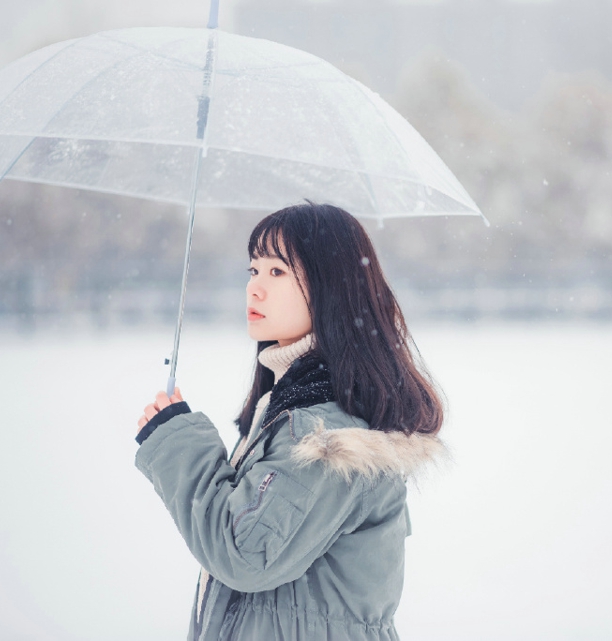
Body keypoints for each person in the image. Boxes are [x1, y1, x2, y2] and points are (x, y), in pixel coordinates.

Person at [134, 202, 447, 641]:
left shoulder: (328, 435)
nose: (254, 289)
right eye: (252, 270)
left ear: (330, 287)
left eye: (277, 272)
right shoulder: (294, 407)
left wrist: (179, 445)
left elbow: (244, 553)